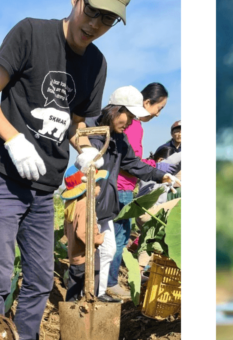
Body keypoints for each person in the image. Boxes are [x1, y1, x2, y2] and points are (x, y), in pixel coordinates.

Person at [0, 0, 136, 340]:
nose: (96, 25)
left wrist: (82, 148)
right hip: (5, 179)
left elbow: (78, 121)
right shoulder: (30, 33)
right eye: (93, 10)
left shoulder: (96, 65)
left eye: (108, 19)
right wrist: (13, 138)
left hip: (45, 189)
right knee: (1, 273)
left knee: (43, 276)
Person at [87, 87, 179, 299]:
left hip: (107, 198)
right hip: (88, 195)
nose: (130, 123)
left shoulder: (120, 138)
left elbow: (132, 163)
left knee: (108, 246)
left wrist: (160, 175)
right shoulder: (90, 126)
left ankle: (99, 294)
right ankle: (80, 293)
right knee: (84, 248)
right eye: (128, 116)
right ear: (115, 110)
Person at [109, 82, 169, 300]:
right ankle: (110, 283)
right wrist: (155, 169)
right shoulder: (133, 125)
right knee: (119, 237)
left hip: (119, 186)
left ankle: (106, 282)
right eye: (159, 108)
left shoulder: (130, 124)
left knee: (114, 236)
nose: (158, 114)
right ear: (146, 103)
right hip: (121, 187)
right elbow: (130, 161)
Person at [61, 163, 108, 301]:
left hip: (75, 255)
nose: (99, 186)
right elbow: (82, 233)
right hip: (87, 255)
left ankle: (71, 308)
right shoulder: (86, 204)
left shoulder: (72, 204)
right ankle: (88, 305)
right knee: (91, 285)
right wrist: (98, 239)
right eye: (97, 183)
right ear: (88, 186)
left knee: (74, 285)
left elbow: (66, 231)